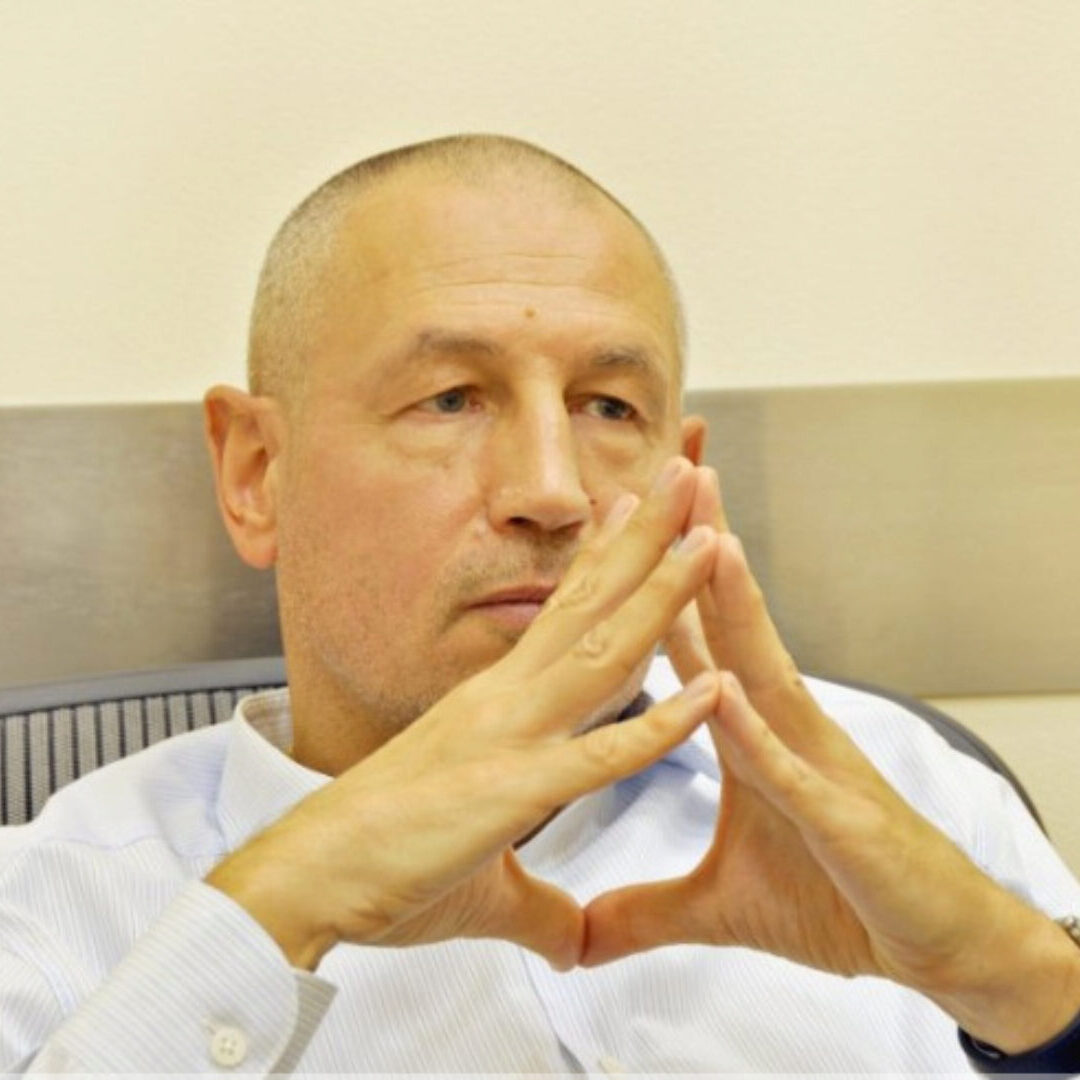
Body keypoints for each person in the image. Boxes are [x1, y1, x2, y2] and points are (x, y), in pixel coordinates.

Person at [2, 134, 1079, 1075]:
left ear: (681, 477)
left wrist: (1023, 986)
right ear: (255, 472)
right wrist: (275, 907)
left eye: (609, 407)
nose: (554, 491)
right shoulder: (48, 910)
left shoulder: (908, 791)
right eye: (450, 399)